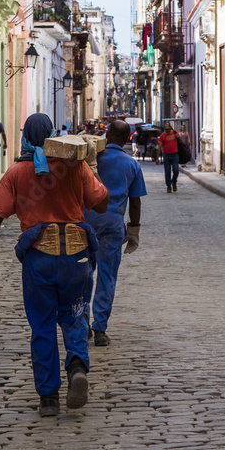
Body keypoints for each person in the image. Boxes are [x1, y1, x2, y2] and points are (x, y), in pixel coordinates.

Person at [0, 113, 109, 417]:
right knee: (75, 316)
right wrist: (92, 166)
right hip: (76, 257)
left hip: (39, 258)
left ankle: (48, 398)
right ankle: (78, 367)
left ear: (25, 138)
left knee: (42, 325)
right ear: (53, 135)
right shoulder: (75, 166)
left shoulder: (16, 172)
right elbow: (102, 204)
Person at [83, 121, 147, 347]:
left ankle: (82, 325)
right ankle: (100, 328)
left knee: (83, 275)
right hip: (112, 228)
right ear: (128, 139)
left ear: (106, 135)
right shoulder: (131, 165)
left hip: (85, 225)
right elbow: (135, 201)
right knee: (107, 277)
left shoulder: (90, 160)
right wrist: (134, 230)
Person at [159, 123, 180, 193]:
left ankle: (174, 182)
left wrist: (178, 137)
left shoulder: (175, 133)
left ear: (170, 128)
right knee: (167, 172)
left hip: (175, 154)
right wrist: (157, 158)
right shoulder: (162, 136)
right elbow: (159, 147)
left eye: (168, 129)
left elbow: (181, 142)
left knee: (176, 170)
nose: (167, 131)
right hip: (166, 155)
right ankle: (168, 186)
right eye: (166, 130)